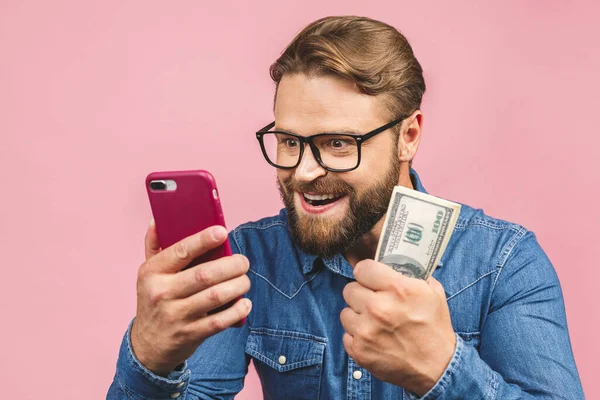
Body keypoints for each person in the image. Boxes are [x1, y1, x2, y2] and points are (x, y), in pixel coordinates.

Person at [107, 16, 584, 399]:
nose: (304, 173)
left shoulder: (504, 263)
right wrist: (150, 358)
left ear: (408, 136)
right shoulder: (248, 262)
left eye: (338, 143)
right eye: (291, 141)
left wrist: (444, 371)